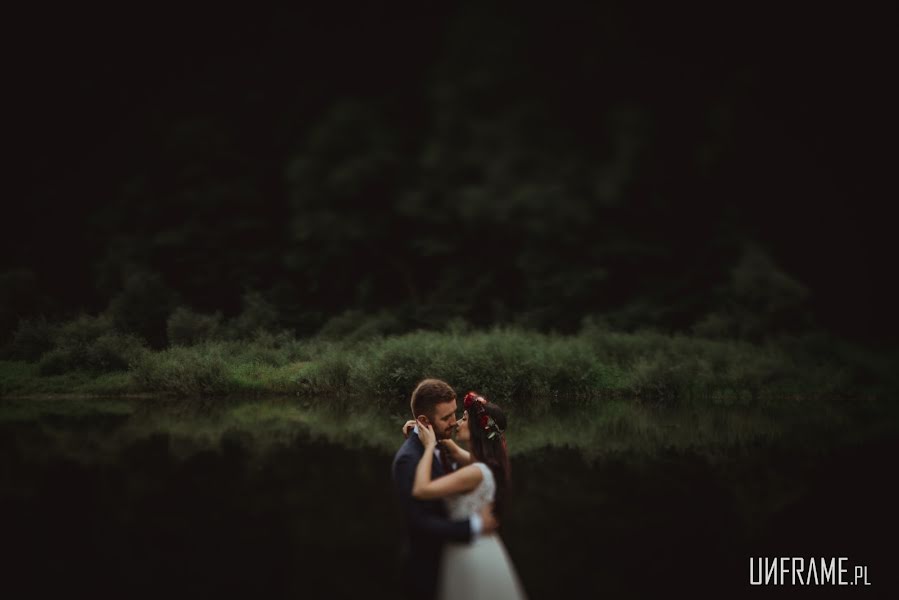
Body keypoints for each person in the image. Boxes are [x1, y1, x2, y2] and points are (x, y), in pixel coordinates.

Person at [408, 389, 527, 600]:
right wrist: (421, 429)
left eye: (463, 419)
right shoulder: (486, 464)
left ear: (475, 429)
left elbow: (421, 489)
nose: (456, 423)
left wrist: (427, 449)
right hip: (482, 547)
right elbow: (457, 453)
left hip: (471, 552)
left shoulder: (474, 473)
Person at [392, 379, 499, 600]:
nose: (454, 422)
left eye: (455, 414)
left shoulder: (443, 443)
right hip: (426, 569)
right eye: (446, 417)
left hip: (458, 560)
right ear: (424, 420)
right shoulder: (407, 460)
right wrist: (475, 526)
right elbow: (419, 522)